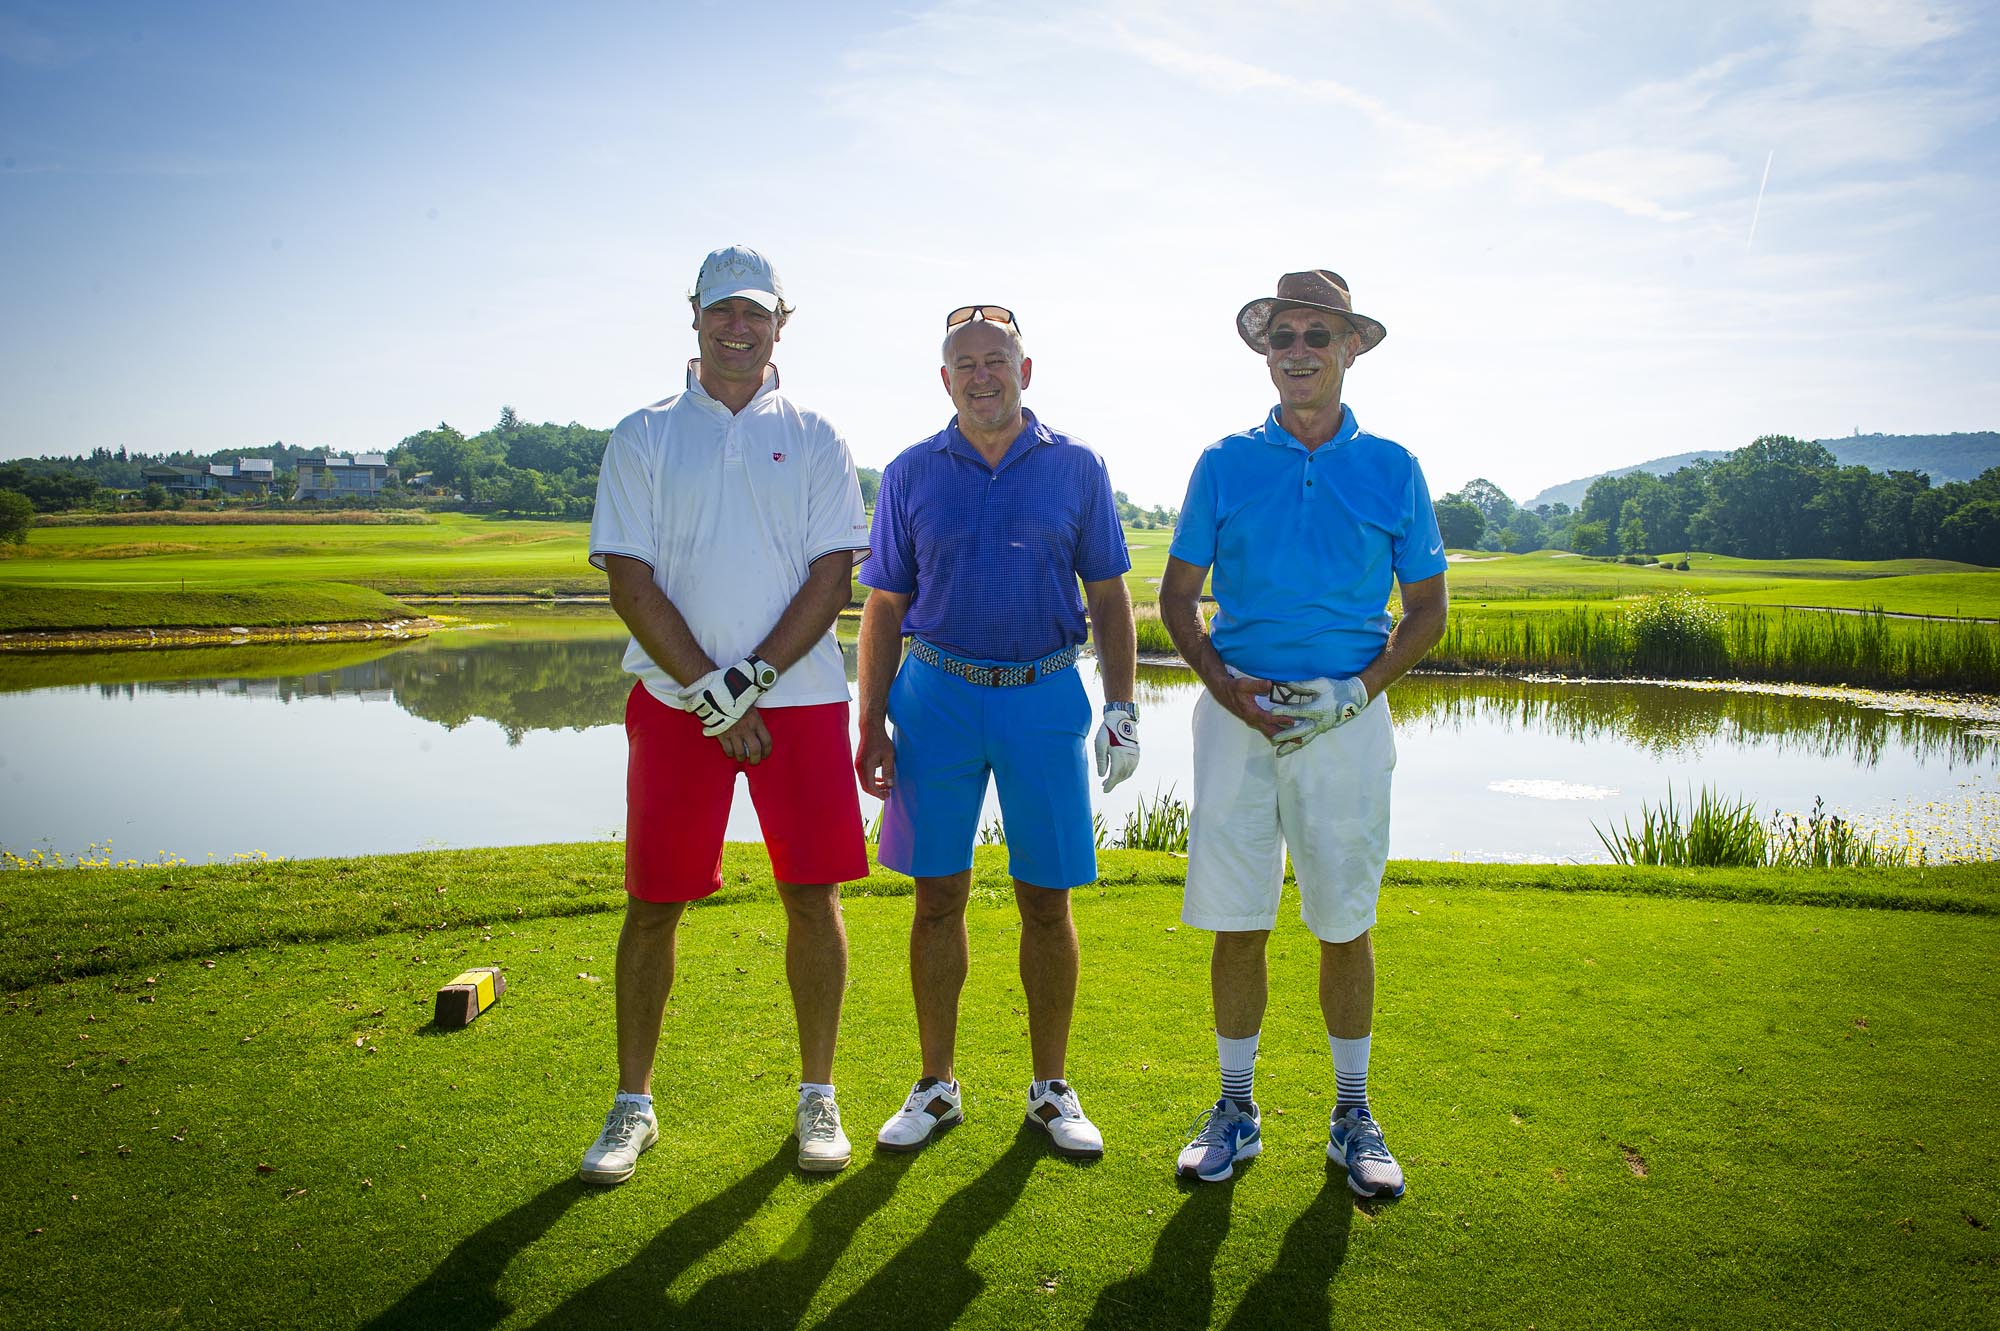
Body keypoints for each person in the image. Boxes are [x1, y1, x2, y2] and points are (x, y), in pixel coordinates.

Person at [579, 244, 872, 1184]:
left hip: (805, 700)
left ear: (782, 321)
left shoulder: (818, 432)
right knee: (654, 904)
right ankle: (633, 1103)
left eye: (755, 313)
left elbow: (836, 572)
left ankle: (817, 1095)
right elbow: (628, 576)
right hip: (675, 706)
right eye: (721, 312)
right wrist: (710, 687)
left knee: (811, 895)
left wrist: (749, 679)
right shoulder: (644, 433)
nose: (737, 328)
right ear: (695, 316)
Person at [1159, 270, 1449, 1195]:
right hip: (1237, 716)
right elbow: (1175, 599)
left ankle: (1352, 1114)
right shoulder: (1223, 460)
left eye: (1316, 336)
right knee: (1239, 919)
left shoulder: (1393, 466)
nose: (1297, 352)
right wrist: (1225, 685)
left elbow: (1429, 614)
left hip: (1346, 723)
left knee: (1342, 921)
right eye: (1283, 336)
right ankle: (1236, 1108)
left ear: (1350, 349)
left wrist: (1352, 694)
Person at [855, 304, 1140, 1161]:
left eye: (998, 359)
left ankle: (1051, 1087)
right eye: (966, 363)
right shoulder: (909, 472)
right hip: (936, 695)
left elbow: (1110, 595)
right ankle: (936, 1084)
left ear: (1026, 369)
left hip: (1043, 693)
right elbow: (884, 607)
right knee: (936, 894)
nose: (983, 374)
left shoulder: (1078, 466)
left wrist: (1123, 706)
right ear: (945, 380)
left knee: (1044, 900)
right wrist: (868, 721)